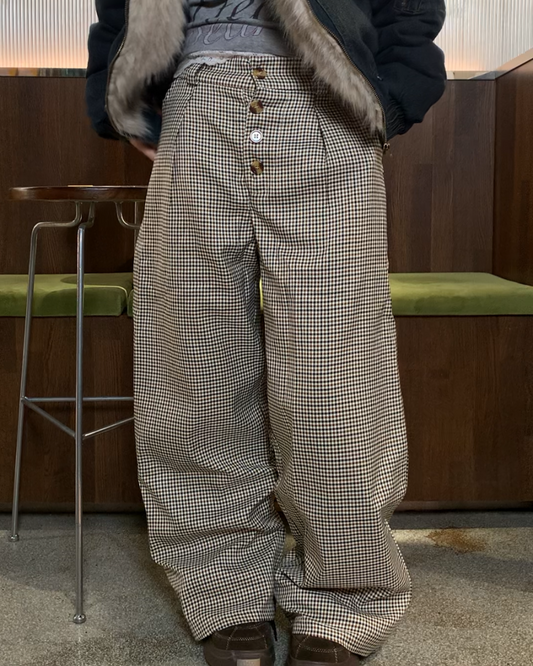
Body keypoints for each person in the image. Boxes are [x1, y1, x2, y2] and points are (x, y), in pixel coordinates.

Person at [86, 1, 446, 664]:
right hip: (194, 104)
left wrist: (391, 94)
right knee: (193, 371)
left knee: (333, 380)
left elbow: (410, 8)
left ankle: (344, 596)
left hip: (326, 99)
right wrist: (123, 94)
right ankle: (224, 592)